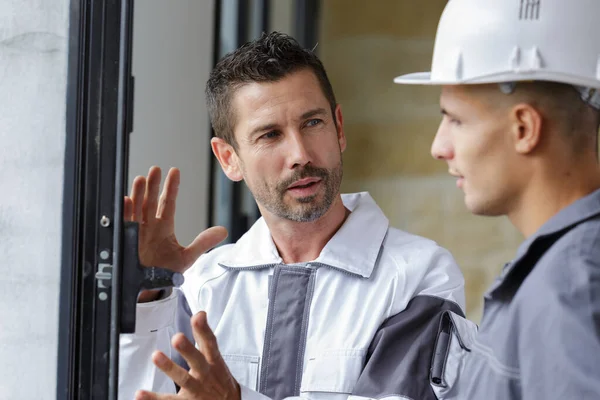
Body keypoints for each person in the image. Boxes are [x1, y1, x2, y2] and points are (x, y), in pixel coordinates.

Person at [118, 32, 468, 400]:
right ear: (228, 159)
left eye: (312, 123)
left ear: (339, 128)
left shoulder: (421, 276)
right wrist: (148, 300)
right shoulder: (199, 287)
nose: (300, 153)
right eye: (270, 135)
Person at [394, 0, 600, 398]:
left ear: (524, 127)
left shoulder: (571, 286)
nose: (439, 147)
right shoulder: (559, 269)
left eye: (456, 119)